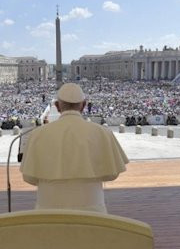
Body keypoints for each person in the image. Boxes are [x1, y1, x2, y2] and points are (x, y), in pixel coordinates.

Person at [20, 83, 128, 213]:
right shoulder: (103, 133)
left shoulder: (37, 134)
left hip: (48, 211)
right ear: (84, 105)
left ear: (57, 106)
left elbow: (29, 178)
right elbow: (112, 174)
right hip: (92, 212)